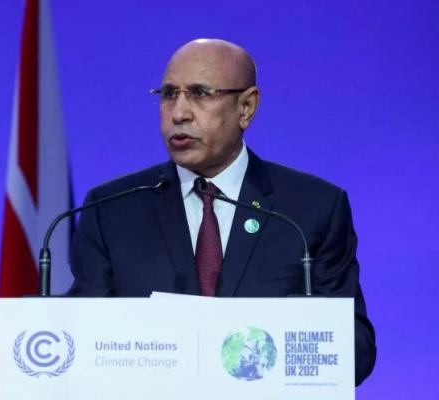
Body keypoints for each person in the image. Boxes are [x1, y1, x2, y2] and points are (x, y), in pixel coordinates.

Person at [68, 38, 376, 385]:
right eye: (169, 94)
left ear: (246, 107)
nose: (179, 113)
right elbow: (82, 337)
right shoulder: (112, 211)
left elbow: (357, 347)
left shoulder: (311, 209)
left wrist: (278, 347)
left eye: (200, 93)